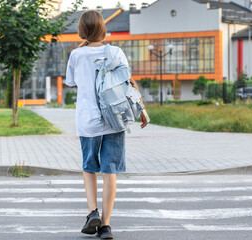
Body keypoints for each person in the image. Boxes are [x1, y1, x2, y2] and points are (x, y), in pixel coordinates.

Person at [65, 10, 148, 239]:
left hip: (87, 121)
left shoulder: (76, 55)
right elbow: (128, 83)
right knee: (109, 171)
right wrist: (141, 109)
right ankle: (106, 226)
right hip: (114, 119)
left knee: (89, 166)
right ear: (103, 28)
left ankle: (93, 211)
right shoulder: (116, 52)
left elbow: (71, 82)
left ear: (82, 31)